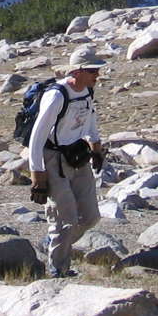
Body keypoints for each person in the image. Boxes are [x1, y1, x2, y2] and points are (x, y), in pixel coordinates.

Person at [28, 56, 106, 278]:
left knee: (90, 217)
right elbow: (37, 137)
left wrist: (96, 147)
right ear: (78, 71)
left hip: (77, 155)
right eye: (92, 70)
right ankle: (58, 270)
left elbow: (90, 119)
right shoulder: (56, 96)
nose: (97, 75)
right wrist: (37, 174)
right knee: (65, 219)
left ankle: (51, 242)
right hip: (53, 159)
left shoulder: (87, 91)